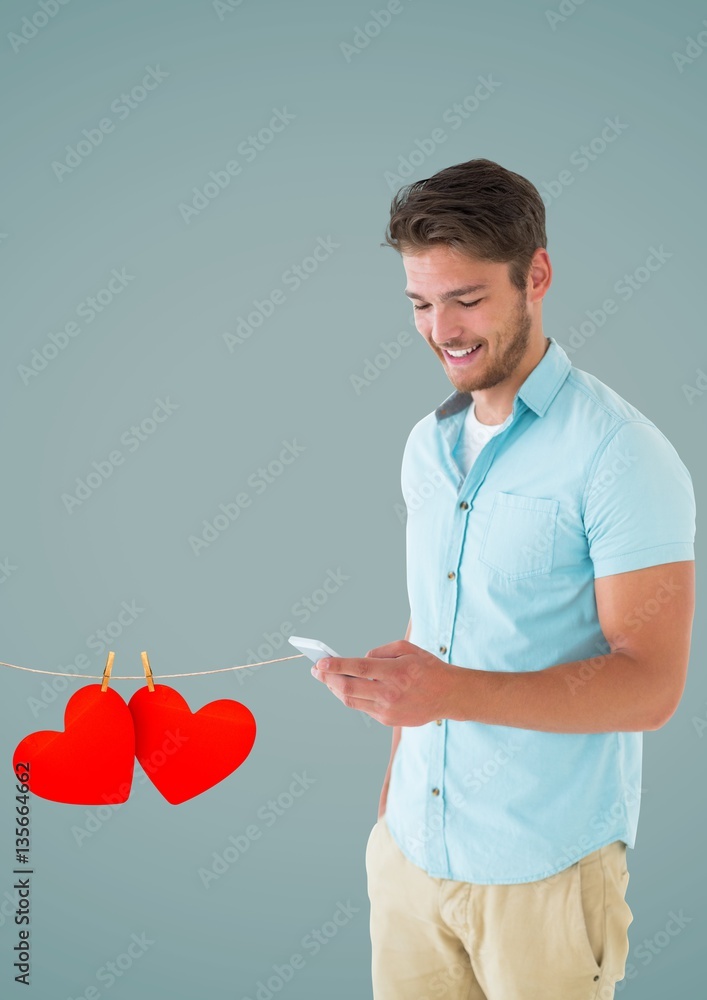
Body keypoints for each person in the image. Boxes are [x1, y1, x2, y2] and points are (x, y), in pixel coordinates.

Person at [309, 158, 696, 1000]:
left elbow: (651, 687)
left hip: (543, 875)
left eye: (467, 298)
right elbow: (442, 636)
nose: (440, 328)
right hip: (408, 862)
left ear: (537, 275)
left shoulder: (620, 454)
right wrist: (392, 791)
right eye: (419, 303)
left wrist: (443, 692)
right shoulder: (426, 446)